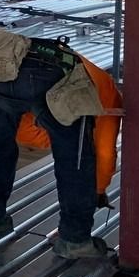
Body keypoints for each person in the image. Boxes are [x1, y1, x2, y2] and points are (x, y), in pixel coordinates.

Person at [0, 31, 109, 258]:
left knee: (0, 145)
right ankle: (74, 241)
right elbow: (102, 147)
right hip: (52, 73)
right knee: (74, 157)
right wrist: (98, 189)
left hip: (3, 68)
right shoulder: (99, 80)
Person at [16, 54, 121, 206]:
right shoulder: (20, 83)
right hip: (50, 80)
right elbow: (104, 152)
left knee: (96, 150)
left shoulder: (105, 97)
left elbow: (104, 153)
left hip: (93, 91)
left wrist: (98, 189)